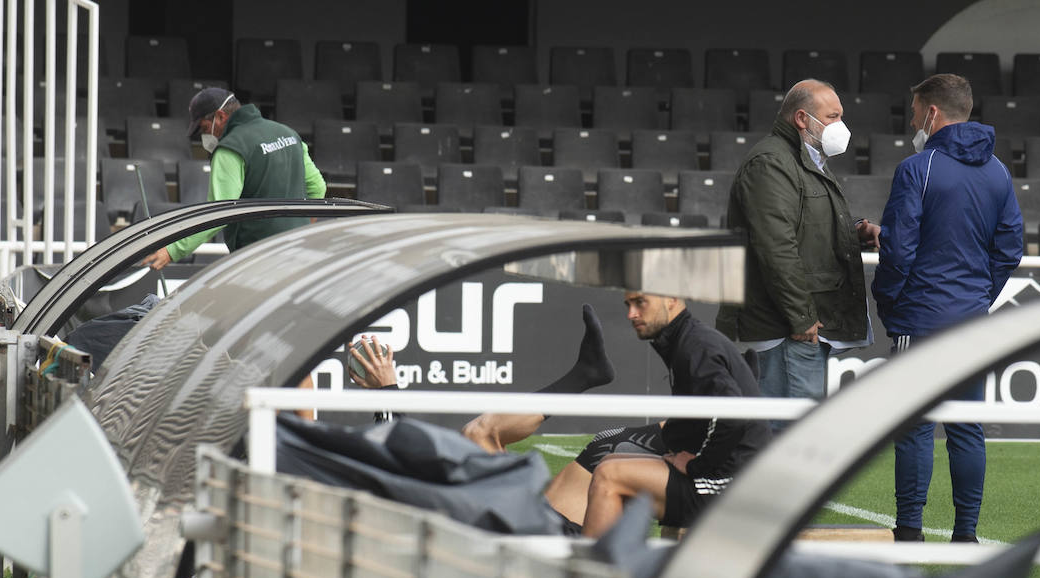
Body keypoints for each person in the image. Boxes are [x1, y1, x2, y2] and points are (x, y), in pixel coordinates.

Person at [349, 293, 769, 538]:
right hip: (543, 524)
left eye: (638, 303)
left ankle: (583, 376)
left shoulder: (695, 346)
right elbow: (407, 467)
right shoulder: (690, 346)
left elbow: (405, 470)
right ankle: (583, 375)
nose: (630, 314)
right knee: (486, 434)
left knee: (483, 433)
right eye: (627, 304)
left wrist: (386, 398)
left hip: (542, 525)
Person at [872, 73, 1023, 543]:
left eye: (915, 112)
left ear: (932, 112)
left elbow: (899, 250)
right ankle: (966, 535)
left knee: (915, 428)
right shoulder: (998, 171)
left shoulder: (919, 168)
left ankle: (911, 531)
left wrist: (890, 300)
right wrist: (979, 298)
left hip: (919, 320)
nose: (913, 120)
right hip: (971, 323)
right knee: (965, 428)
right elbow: (1010, 248)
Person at [719, 79, 879, 421]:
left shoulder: (803, 159)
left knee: (791, 430)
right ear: (803, 118)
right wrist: (801, 317)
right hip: (787, 329)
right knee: (787, 436)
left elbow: (802, 229)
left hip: (799, 326)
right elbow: (776, 247)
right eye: (832, 116)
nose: (841, 126)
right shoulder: (771, 163)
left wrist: (851, 234)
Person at [140, 87, 327, 270]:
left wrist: (173, 251)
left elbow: (218, 213)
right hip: (298, 253)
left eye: (205, 128)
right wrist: (300, 227)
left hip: (258, 260)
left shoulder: (231, 148)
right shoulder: (288, 133)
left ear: (220, 116)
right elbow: (317, 187)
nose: (205, 136)